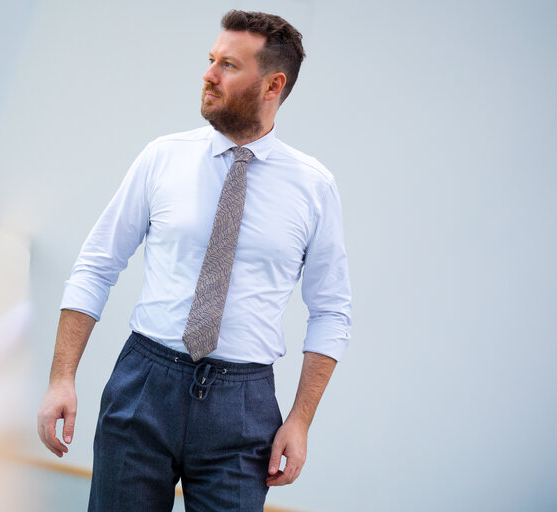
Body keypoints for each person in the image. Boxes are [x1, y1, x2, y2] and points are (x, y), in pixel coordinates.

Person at [37, 9, 352, 512]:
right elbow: (97, 264)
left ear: (273, 84)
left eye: (228, 65)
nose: (208, 75)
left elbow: (331, 311)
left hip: (243, 408)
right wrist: (61, 378)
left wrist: (300, 420)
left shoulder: (313, 187)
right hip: (143, 385)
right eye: (211, 60)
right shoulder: (162, 158)